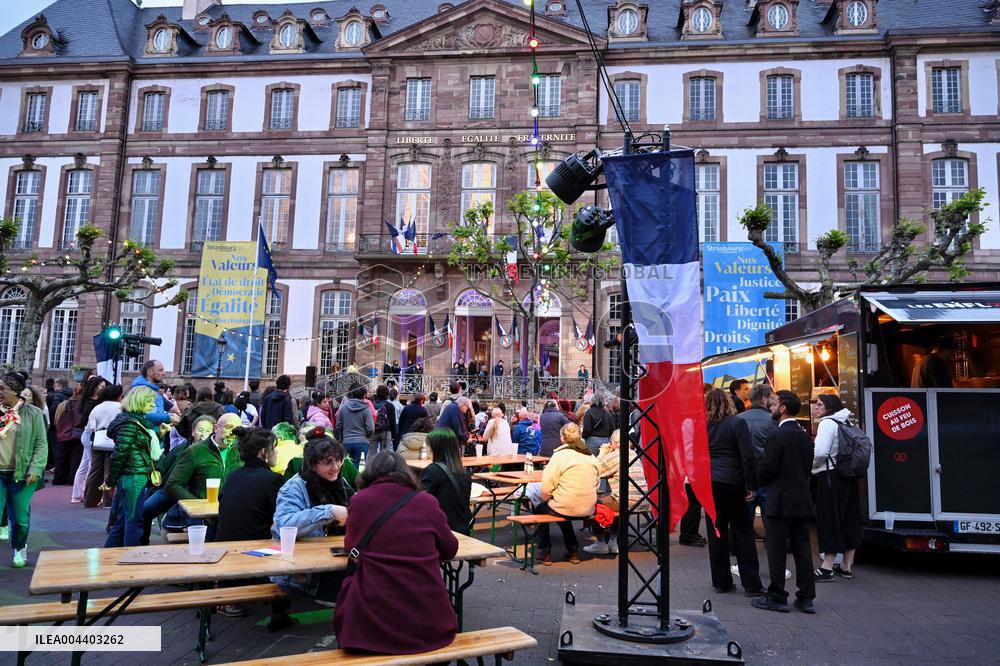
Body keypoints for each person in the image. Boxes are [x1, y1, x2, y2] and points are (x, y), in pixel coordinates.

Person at [333, 451, 459, 655]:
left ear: (369, 474)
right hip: (430, 624)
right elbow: (450, 549)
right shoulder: (427, 502)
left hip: (372, 625)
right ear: (405, 473)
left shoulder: (360, 501)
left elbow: (352, 546)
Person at [752, 391, 816, 614]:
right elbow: (808, 468)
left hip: (779, 499)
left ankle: (777, 595)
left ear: (783, 408)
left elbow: (768, 468)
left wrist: (757, 483)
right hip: (801, 499)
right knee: (802, 549)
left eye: (774, 402)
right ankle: (806, 596)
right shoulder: (804, 436)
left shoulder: (777, 436)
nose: (770, 405)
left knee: (777, 549)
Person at [272, 430, 352, 605]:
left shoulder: (340, 483)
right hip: (302, 573)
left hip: (336, 560)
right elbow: (285, 524)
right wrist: (328, 511)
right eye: (327, 462)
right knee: (357, 593)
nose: (336, 466)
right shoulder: (293, 487)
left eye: (338, 460)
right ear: (312, 465)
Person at [703, 388, 763, 596]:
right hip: (734, 481)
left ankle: (721, 581)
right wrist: (751, 484)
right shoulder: (737, 424)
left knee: (716, 531)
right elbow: (747, 456)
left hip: (711, 482)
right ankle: (752, 584)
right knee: (743, 532)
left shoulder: (703, 426)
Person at [527, 422, 599, 565]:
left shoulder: (560, 456)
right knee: (562, 508)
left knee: (544, 507)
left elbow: (546, 487)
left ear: (562, 438)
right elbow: (597, 483)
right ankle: (573, 551)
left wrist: (550, 497)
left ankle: (545, 551)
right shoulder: (590, 456)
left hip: (565, 506)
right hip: (588, 506)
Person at [141, 414, 216, 544]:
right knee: (145, 509)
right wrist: (157, 473)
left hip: (194, 494)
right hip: (171, 490)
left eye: (208, 431)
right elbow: (164, 463)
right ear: (193, 432)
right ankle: (142, 545)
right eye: (200, 430)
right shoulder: (182, 448)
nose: (203, 434)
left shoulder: (213, 452)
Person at [104, 385, 162, 548]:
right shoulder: (130, 424)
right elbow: (120, 454)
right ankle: (132, 557)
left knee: (124, 520)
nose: (153, 405)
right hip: (133, 477)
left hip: (134, 475)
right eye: (149, 401)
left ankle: (108, 555)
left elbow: (130, 449)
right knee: (133, 522)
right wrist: (110, 481)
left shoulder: (135, 422)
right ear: (138, 402)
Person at [812, 393, 861, 582]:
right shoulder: (846, 422)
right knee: (849, 519)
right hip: (849, 476)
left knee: (830, 519)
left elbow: (821, 452)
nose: (816, 408)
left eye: (820, 404)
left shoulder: (827, 423)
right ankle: (846, 566)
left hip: (830, 477)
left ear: (829, 408)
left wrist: (811, 468)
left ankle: (827, 568)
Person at [0, 371, 48, 567]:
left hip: (23, 474)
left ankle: (19, 548)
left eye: (3, 388)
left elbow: (41, 444)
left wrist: (36, 469)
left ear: (16, 391)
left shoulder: (33, 414)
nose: (0, 391)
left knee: (20, 518)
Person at [165, 413, 243, 520]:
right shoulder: (195, 451)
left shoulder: (242, 451)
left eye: (236, 430)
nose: (232, 433)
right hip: (202, 517)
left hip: (232, 514)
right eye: (228, 427)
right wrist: (198, 507)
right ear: (216, 428)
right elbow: (173, 485)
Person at [585, 429, 650, 555]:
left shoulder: (615, 455)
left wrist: (602, 453)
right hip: (642, 500)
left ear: (613, 443)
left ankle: (601, 542)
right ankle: (614, 540)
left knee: (591, 504)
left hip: (626, 501)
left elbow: (593, 470)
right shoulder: (633, 454)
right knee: (613, 501)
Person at [216, 427, 283, 542]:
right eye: (273, 447)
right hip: (253, 550)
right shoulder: (272, 480)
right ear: (264, 452)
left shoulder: (232, 476)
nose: (276, 451)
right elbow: (283, 519)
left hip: (223, 547)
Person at [737, 383, 777, 539]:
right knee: (770, 519)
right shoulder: (773, 422)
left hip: (743, 475)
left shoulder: (738, 420)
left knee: (744, 521)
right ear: (764, 398)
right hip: (766, 476)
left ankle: (741, 549)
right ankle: (772, 546)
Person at [420, 428, 473, 534]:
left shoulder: (433, 471)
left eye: (428, 445)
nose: (427, 448)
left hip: (440, 532)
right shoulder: (465, 473)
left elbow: (420, 502)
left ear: (436, 448)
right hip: (462, 531)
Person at [82, 384, 124, 508]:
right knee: (110, 471)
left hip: (98, 440)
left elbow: (90, 426)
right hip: (114, 440)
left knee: (94, 471)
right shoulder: (120, 407)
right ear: (118, 395)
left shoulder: (97, 407)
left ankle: (89, 500)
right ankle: (108, 501)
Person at [71, 376, 107, 503]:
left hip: (89, 434)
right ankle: (91, 495)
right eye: (101, 387)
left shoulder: (90, 400)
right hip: (90, 434)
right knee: (92, 465)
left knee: (85, 464)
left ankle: (77, 495)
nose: (103, 389)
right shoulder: (90, 402)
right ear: (95, 387)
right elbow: (88, 420)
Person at [334, 384, 375, 466]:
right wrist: (366, 436)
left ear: (351, 394)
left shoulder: (343, 408)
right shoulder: (366, 409)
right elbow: (370, 428)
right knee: (360, 467)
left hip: (347, 442)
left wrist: (342, 436)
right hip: (362, 442)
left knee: (347, 467)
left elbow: (338, 425)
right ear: (364, 395)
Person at [52, 383, 83, 485]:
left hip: (63, 433)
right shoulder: (82, 404)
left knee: (62, 458)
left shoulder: (63, 404)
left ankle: (58, 479)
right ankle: (71, 480)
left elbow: (57, 418)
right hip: (76, 433)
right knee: (75, 458)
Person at [131, 360, 177, 427]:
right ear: (150, 372)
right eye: (160, 370)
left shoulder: (154, 390)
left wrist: (169, 416)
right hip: (142, 435)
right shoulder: (141, 391)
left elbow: (156, 413)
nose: (164, 373)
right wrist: (167, 418)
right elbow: (141, 415)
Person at [370, 385, 398, 455]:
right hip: (386, 432)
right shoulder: (389, 406)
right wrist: (393, 435)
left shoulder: (371, 404)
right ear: (387, 394)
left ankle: (370, 465)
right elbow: (392, 421)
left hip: (373, 430)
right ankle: (383, 465)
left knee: (371, 452)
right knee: (384, 453)